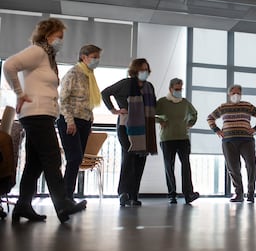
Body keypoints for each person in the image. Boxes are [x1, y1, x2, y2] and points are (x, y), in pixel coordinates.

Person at [3, 18, 87, 223]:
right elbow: (9, 65)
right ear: (47, 35)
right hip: (36, 113)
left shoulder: (47, 58)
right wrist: (19, 93)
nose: (61, 41)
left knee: (35, 164)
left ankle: (23, 206)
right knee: (52, 158)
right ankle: (62, 203)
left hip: (42, 114)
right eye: (59, 36)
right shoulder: (38, 51)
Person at [101, 58, 157, 207]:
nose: (145, 72)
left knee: (140, 160)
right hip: (125, 127)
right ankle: (123, 193)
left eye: (146, 69)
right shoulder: (126, 84)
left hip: (144, 129)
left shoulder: (149, 87)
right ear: (135, 71)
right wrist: (114, 110)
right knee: (129, 157)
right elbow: (105, 93)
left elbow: (153, 107)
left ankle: (134, 195)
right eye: (142, 69)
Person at [57, 44, 102, 202]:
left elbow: (87, 102)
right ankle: (65, 196)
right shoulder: (73, 73)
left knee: (77, 158)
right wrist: (70, 121)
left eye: (98, 57)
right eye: (94, 57)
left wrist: (90, 121)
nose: (97, 60)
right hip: (70, 120)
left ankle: (68, 195)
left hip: (84, 121)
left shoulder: (89, 75)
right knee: (74, 158)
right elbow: (63, 99)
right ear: (84, 57)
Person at [207, 84, 256, 203]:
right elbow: (210, 118)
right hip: (228, 141)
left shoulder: (247, 105)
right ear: (229, 94)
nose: (236, 95)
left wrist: (255, 129)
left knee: (251, 165)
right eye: (233, 93)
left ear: (241, 94)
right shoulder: (223, 107)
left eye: (238, 93)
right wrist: (217, 130)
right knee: (233, 168)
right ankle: (238, 193)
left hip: (246, 140)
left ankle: (251, 192)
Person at [155, 78, 199, 204]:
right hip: (167, 138)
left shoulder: (185, 103)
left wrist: (190, 123)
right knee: (169, 166)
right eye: (176, 89)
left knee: (186, 165)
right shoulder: (163, 102)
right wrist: (160, 121)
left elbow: (194, 114)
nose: (179, 91)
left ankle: (188, 194)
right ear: (170, 89)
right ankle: (172, 194)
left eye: (181, 89)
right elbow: (151, 113)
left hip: (183, 138)